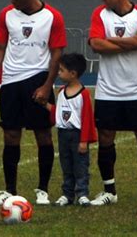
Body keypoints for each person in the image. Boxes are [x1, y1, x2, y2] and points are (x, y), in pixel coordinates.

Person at [0, 0, 66, 205]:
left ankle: (42, 190)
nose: (13, 1)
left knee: (42, 133)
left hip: (37, 79)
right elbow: (0, 47)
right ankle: (9, 190)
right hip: (11, 81)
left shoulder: (53, 16)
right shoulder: (7, 14)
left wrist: (46, 85)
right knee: (11, 134)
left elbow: (57, 53)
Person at [88, 0, 137, 207]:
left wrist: (110, 41)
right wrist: (130, 41)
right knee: (106, 137)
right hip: (108, 90)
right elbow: (96, 45)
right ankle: (110, 190)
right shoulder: (100, 13)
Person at [40, 53, 97, 207]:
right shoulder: (61, 92)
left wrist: (84, 141)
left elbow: (86, 119)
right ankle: (67, 194)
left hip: (77, 135)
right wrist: (45, 105)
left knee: (80, 165)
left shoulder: (83, 94)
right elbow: (58, 112)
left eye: (61, 70)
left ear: (73, 74)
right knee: (66, 164)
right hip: (63, 135)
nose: (58, 73)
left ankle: (82, 194)